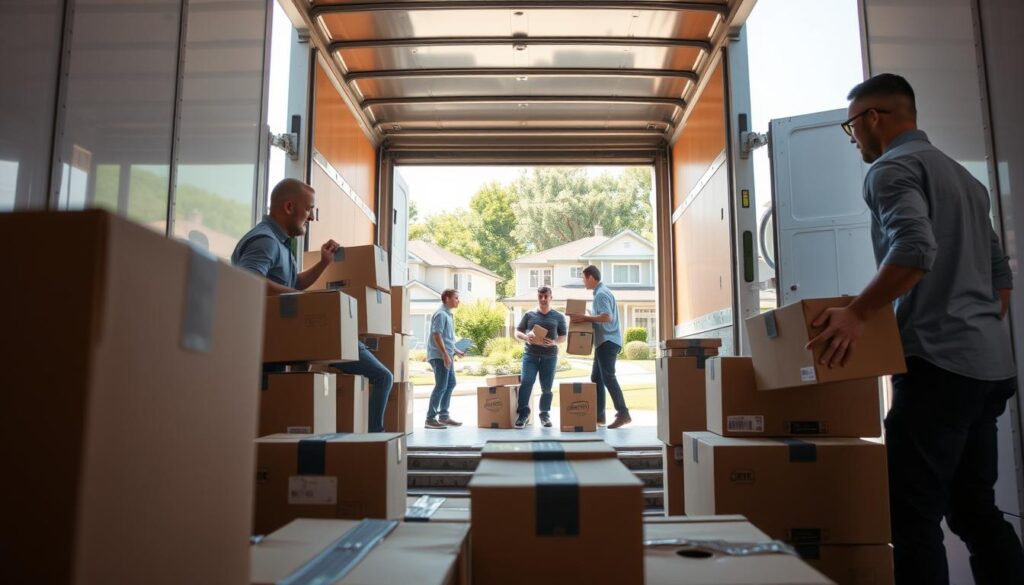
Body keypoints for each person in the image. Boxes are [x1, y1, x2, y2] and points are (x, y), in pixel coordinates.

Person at [808, 73, 1024, 585]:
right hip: (989, 371)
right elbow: (1001, 281)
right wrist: (971, 327)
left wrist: (858, 314)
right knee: (974, 509)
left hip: (938, 367)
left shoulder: (891, 168)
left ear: (872, 118)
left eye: (851, 127)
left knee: (909, 515)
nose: (854, 138)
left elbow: (914, 250)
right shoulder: (964, 179)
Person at [232, 178, 394, 433]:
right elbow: (247, 280)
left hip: (280, 342)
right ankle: (375, 443)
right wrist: (306, 301)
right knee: (382, 375)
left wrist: (323, 263)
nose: (311, 218)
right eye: (309, 209)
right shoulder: (265, 241)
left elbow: (292, 284)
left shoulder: (281, 244)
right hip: (265, 343)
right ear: (288, 207)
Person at [569, 265, 631, 428]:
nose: (583, 282)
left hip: (607, 342)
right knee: (596, 378)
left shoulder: (601, 294)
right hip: (604, 342)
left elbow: (606, 317)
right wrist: (588, 317)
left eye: (583, 278)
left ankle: (623, 413)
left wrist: (585, 318)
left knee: (608, 377)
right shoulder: (602, 293)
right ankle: (599, 417)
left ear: (591, 277)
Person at [513, 286, 568, 428]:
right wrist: (526, 337)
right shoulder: (529, 314)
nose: (543, 299)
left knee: (547, 388)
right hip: (530, 355)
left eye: (546, 296)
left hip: (549, 357)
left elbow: (563, 336)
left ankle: (544, 415)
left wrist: (554, 342)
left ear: (551, 297)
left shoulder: (558, 316)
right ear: (537, 297)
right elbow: (517, 332)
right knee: (526, 382)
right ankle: (523, 415)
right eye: (540, 296)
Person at [425, 289, 466, 429]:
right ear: (447, 298)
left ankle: (443, 416)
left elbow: (447, 338)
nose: (458, 300)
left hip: (447, 355)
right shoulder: (441, 314)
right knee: (441, 386)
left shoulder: (448, 315)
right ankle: (430, 419)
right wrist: (445, 355)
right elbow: (437, 335)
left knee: (450, 383)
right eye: (456, 298)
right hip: (439, 356)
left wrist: (456, 350)